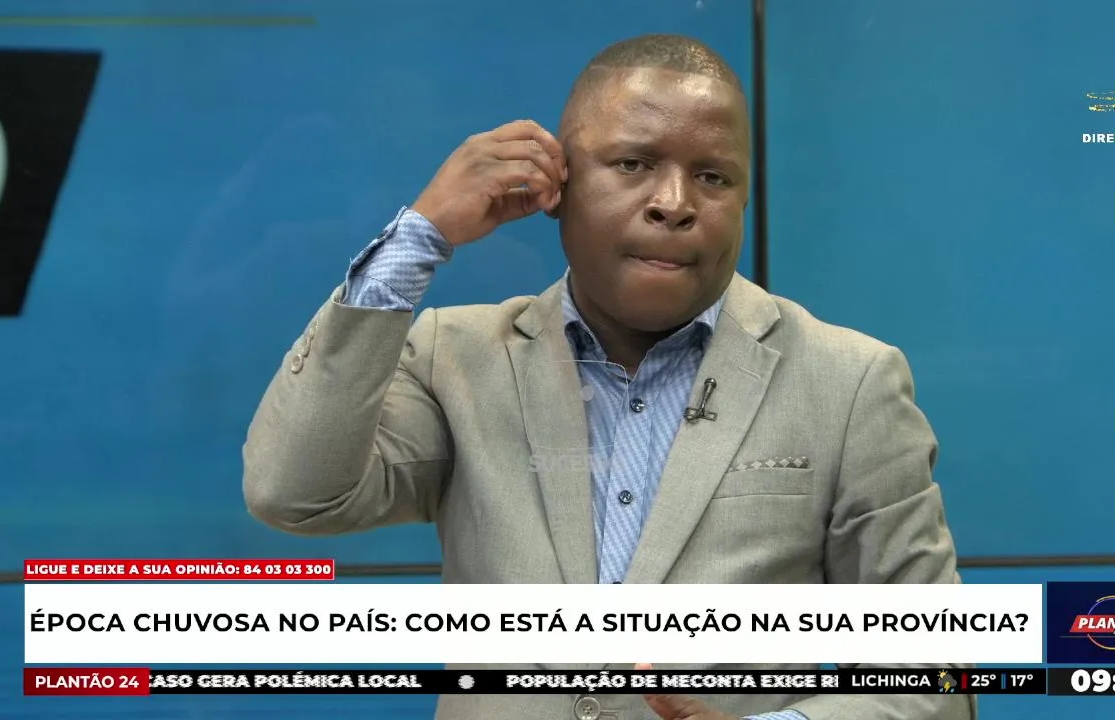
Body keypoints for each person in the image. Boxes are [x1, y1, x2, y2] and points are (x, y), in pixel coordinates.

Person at [244, 33, 975, 720]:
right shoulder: (455, 358)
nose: (674, 203)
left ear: (745, 199)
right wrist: (419, 239)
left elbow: (935, 679)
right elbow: (297, 494)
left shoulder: (849, 382)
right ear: (554, 183)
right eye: (633, 164)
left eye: (713, 177)